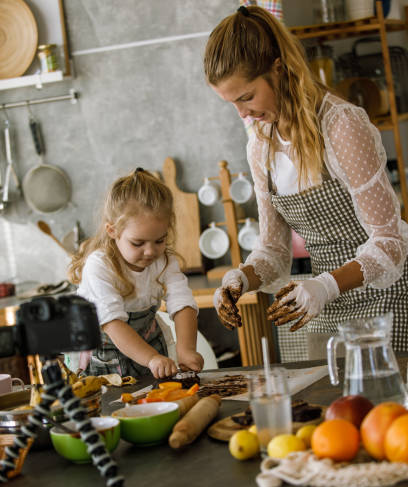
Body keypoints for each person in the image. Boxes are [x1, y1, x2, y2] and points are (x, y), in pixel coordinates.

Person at [204, 5, 408, 358]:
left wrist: (327, 285)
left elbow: (390, 243)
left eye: (247, 97)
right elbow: (274, 251)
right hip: (319, 307)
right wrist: (242, 280)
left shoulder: (341, 126)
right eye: (231, 103)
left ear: (279, 69)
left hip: (385, 302)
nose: (243, 114)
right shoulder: (260, 147)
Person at [68, 167, 204, 379]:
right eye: (138, 243)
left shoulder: (164, 261)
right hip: (106, 358)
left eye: (160, 240)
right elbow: (113, 324)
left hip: (151, 349)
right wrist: (151, 358)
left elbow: (183, 303)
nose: (150, 251)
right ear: (113, 231)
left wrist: (186, 349)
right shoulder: (100, 266)